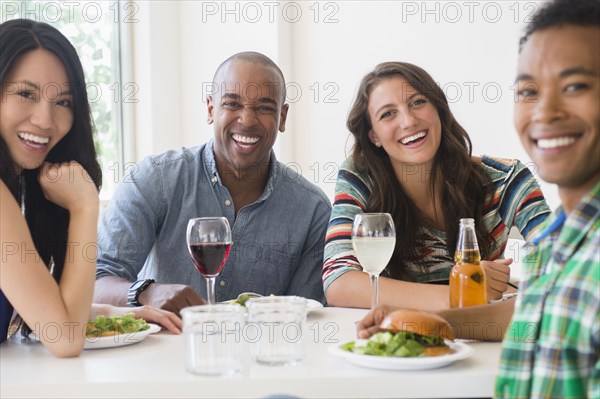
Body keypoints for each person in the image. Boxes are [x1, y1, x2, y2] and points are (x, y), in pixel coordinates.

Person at [358, 0, 599, 397]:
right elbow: (529, 317)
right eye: (529, 90)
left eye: (574, 86)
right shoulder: (558, 240)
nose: (545, 111)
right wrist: (432, 320)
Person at [94, 52, 331, 313]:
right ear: (210, 108)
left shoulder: (313, 210)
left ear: (282, 117)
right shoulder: (155, 179)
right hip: (164, 350)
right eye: (232, 104)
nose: (247, 120)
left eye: (264, 108)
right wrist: (147, 292)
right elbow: (95, 281)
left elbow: (305, 315)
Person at [0, 19, 181, 357]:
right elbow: (64, 338)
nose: (45, 119)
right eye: (26, 94)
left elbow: (44, 312)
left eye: (63, 102)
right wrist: (84, 207)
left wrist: (119, 315)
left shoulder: (17, 188)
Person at [323, 61, 551, 310]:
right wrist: (464, 291)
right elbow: (338, 281)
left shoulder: (506, 180)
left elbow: (566, 262)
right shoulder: (360, 178)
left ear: (438, 109)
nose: (408, 121)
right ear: (374, 136)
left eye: (417, 102)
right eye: (388, 114)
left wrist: (513, 287)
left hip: (480, 339)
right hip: (400, 340)